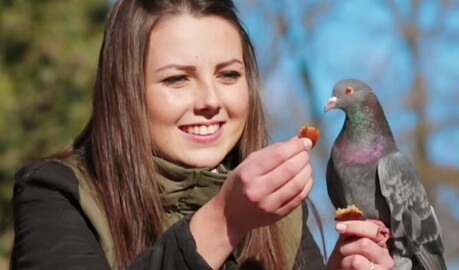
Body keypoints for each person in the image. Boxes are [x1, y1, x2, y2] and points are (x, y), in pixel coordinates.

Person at [10, 0, 394, 269]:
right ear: (124, 93)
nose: (211, 100)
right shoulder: (57, 193)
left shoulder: (283, 215)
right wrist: (223, 222)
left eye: (228, 75)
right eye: (177, 79)